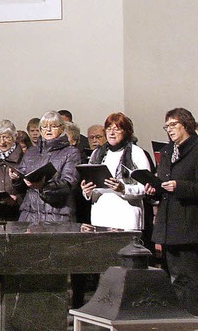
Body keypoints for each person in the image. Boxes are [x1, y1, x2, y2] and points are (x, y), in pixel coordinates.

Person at [146, 108, 198, 315]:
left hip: (189, 223)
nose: (169, 129)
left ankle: (191, 318)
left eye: (173, 124)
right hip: (168, 225)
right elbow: (163, 181)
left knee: (189, 278)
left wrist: (180, 187)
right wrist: (153, 190)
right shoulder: (167, 150)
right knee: (170, 277)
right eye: (166, 126)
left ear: (186, 124)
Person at [80, 113, 150, 230]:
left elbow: (146, 187)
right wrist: (87, 191)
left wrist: (123, 188)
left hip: (126, 218)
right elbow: (92, 186)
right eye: (109, 129)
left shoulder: (137, 153)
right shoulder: (97, 153)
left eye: (117, 129)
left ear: (126, 132)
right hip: (101, 217)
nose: (112, 133)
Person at [10, 111, 81, 222]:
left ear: (62, 129)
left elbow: (69, 183)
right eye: (44, 127)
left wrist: (43, 186)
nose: (48, 130)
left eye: (53, 126)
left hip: (57, 215)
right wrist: (16, 179)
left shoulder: (71, 152)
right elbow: (21, 186)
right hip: (30, 214)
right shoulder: (31, 152)